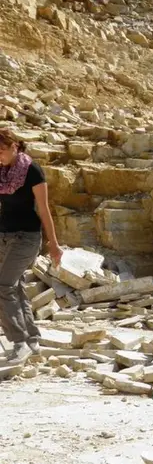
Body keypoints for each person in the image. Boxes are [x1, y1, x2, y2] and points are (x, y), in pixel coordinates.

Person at [0, 130, 63, 364]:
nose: (0, 155)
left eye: (3, 150)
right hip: (4, 236)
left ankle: (18, 342)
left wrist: (53, 244)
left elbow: (44, 210)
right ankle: (32, 340)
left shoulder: (32, 170)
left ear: (15, 146)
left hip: (27, 237)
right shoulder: (2, 171)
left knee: (3, 286)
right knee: (14, 287)